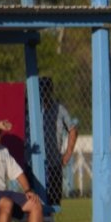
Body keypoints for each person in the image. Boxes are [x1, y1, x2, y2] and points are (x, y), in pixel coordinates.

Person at [37, 77, 78, 206]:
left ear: (51, 90)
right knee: (35, 201)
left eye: (46, 89)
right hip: (37, 164)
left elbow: (72, 130)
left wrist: (67, 153)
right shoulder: (34, 110)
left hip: (54, 162)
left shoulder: (59, 109)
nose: (44, 93)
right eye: (41, 89)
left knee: (54, 201)